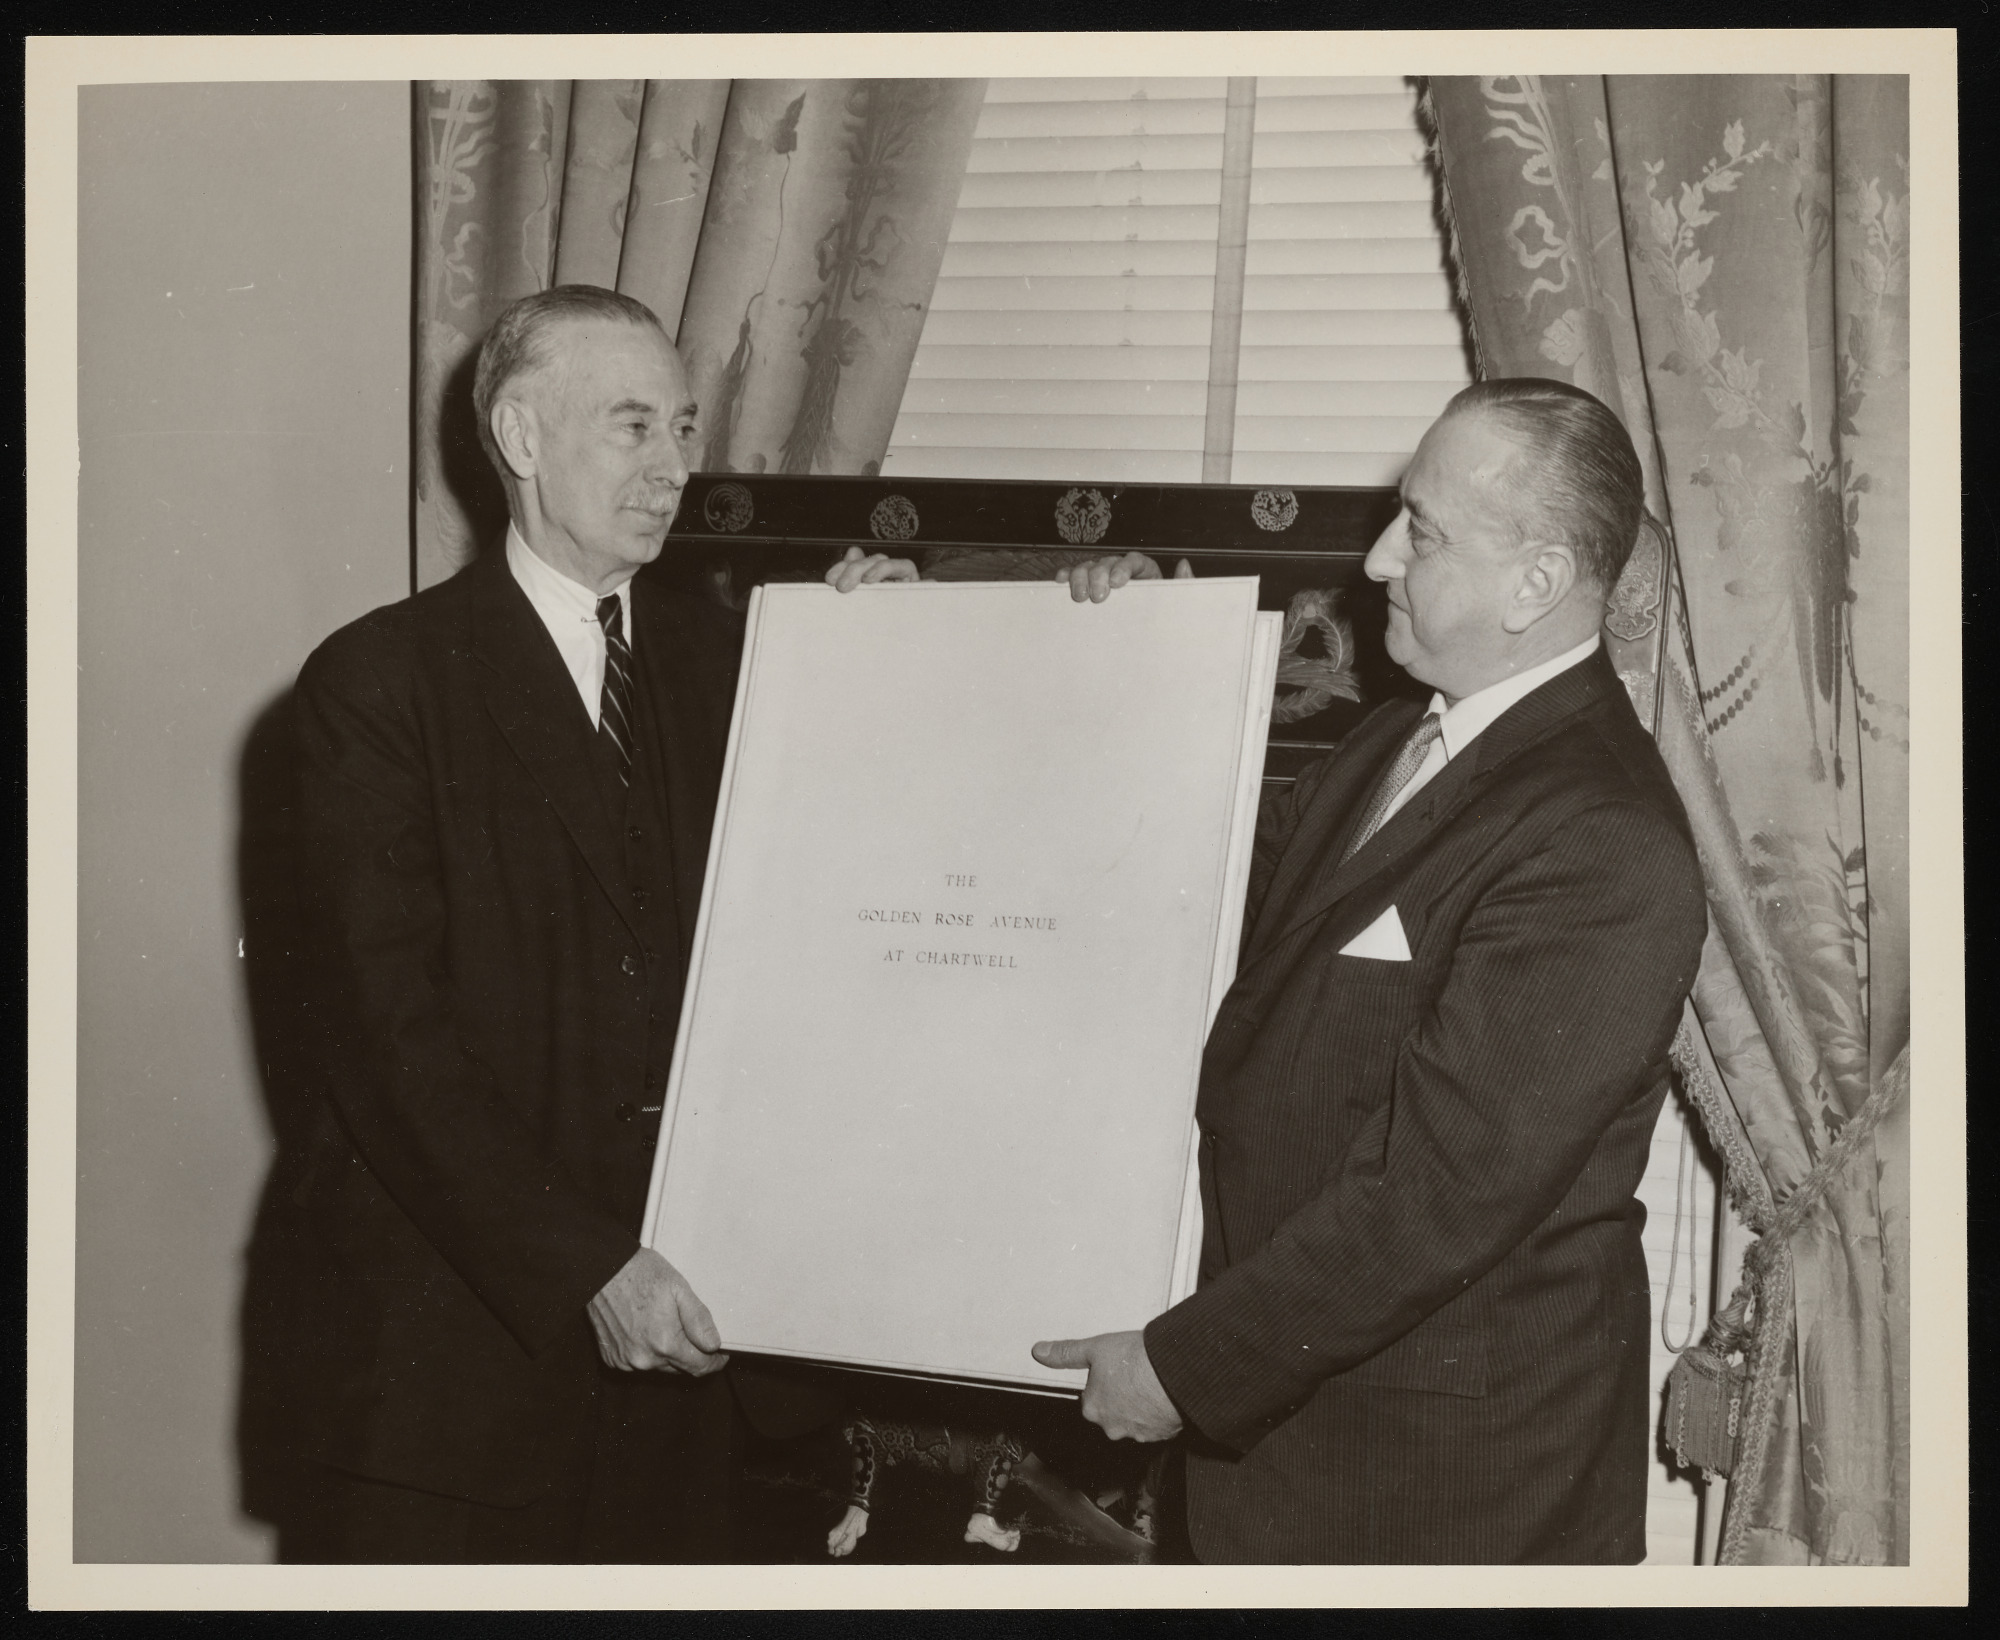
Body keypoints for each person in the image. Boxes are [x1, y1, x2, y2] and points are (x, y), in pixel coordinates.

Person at [278, 285, 909, 1562]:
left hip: (691, 1360)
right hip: (458, 1374)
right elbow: (389, 1047)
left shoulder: (739, 657)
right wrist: (587, 1266)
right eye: (633, 427)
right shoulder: (379, 683)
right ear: (520, 435)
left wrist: (900, 654)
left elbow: (844, 920)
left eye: (682, 428)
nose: (674, 466)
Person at [1035, 377, 1709, 1563]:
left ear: (1536, 582)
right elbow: (1185, 886)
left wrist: (1188, 1369)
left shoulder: (1603, 837)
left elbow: (1437, 1191)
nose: (1377, 556)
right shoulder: (1402, 736)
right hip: (1308, 1453)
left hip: (1439, 1493)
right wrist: (1140, 658)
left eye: (1423, 531)